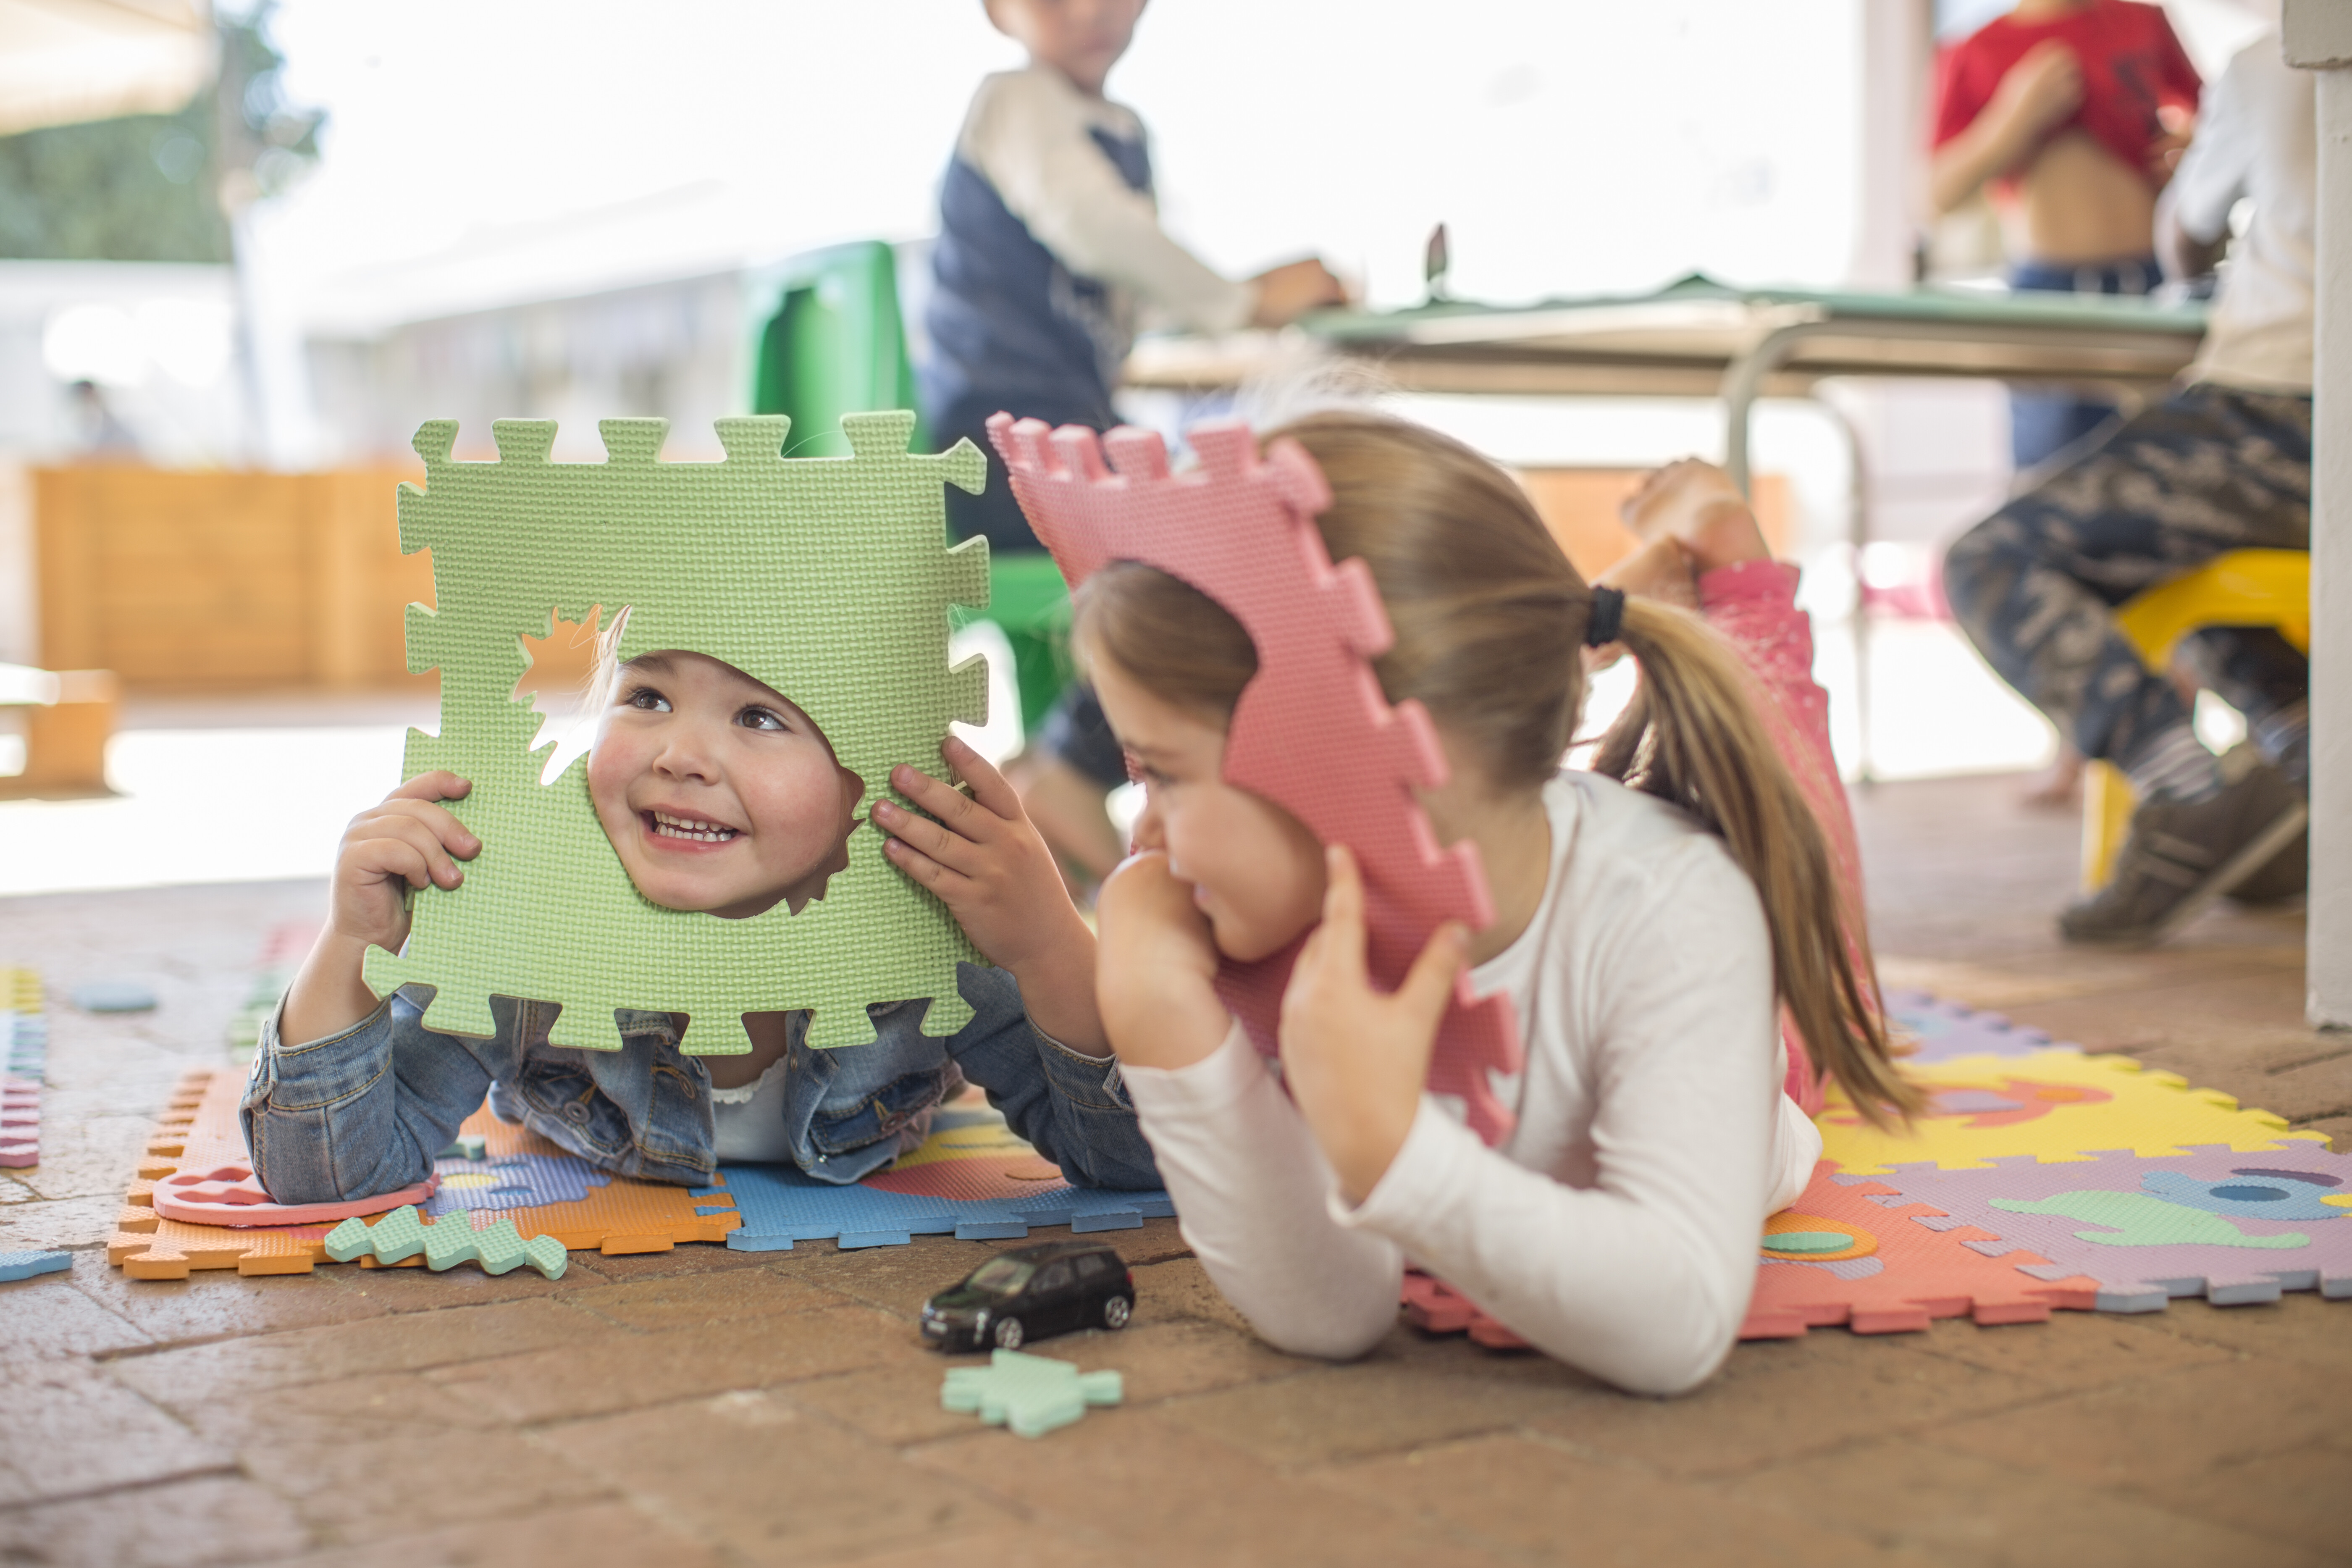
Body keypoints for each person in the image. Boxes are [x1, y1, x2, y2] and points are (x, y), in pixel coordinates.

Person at [1075, 415, 1920, 1396]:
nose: (1143, 836)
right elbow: (1331, 1312)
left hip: (1744, 1047)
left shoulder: (1677, 910)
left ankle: (1739, 582)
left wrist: (1395, 1153)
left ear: (1350, 765)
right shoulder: (1256, 918)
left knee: (1797, 869)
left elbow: (1679, 1321)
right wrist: (1161, 1018)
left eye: (1166, 776)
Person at [245, 633, 1158, 1205]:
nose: (681, 754)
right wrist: (350, 945)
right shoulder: (527, 929)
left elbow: (1134, 1162)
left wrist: (1046, 939)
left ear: (867, 774)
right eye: (645, 698)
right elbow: (326, 1173)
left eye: (759, 715)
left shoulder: (929, 928)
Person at [922, 0, 1348, 888]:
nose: (1091, 11)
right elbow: (1091, 226)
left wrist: (1249, 291)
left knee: (1224, 510)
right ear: (998, 10)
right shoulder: (1016, 100)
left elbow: (1110, 282)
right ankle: (1075, 767)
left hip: (1057, 432)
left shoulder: (1116, 128)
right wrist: (1240, 301)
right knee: (1229, 530)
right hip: (998, 447)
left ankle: (1070, 761)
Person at [1943, 31, 2314, 945]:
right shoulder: (1997, 51)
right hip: (2289, 445)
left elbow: (2184, 239)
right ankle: (2311, 766)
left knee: (1986, 559)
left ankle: (2184, 789)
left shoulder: (2274, 62)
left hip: (2280, 411)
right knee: (2192, 551)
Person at [1928, 0, 2200, 468]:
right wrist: (2011, 119)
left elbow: (2216, 113)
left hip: (2153, 285)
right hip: (2048, 297)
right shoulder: (1974, 51)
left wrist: (2189, 143)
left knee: (2168, 461)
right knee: (2051, 470)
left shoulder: (2142, 22)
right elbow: (1934, 194)